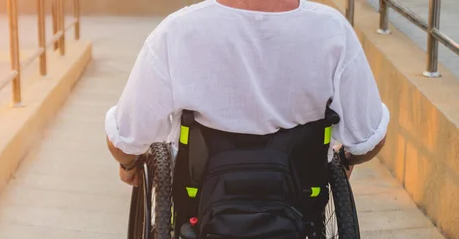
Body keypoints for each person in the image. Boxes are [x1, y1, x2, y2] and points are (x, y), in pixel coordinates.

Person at [105, 0, 388, 186]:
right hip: (298, 196)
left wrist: (129, 166)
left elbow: (125, 140)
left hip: (203, 196)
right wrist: (346, 161)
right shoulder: (332, 30)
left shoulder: (177, 31)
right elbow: (369, 139)